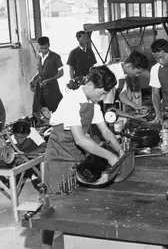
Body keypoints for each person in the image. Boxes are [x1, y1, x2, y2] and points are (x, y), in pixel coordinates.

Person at [41, 65, 124, 249]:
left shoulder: (93, 103)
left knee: (75, 206)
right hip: (59, 158)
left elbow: (104, 131)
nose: (101, 98)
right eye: (101, 93)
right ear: (90, 84)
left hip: (76, 157)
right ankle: (46, 247)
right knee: (53, 209)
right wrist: (110, 157)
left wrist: (120, 150)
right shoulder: (71, 101)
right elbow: (80, 139)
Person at [30, 36, 64, 117]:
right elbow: (40, 72)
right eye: (41, 48)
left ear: (49, 45)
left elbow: (61, 73)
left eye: (45, 48)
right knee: (37, 108)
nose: (44, 50)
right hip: (40, 86)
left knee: (54, 107)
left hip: (51, 87)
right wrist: (33, 79)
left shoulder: (55, 57)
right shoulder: (39, 56)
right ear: (39, 46)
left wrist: (49, 80)